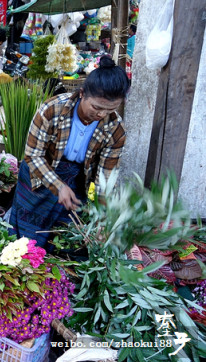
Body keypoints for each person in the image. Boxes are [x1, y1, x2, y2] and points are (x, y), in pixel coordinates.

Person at [9, 55, 130, 248]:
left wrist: (102, 217)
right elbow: (33, 155)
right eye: (97, 107)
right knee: (26, 237)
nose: (101, 115)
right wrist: (58, 186)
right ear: (82, 93)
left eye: (110, 110)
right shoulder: (52, 110)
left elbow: (106, 179)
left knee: (64, 240)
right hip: (40, 175)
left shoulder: (115, 129)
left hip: (76, 180)